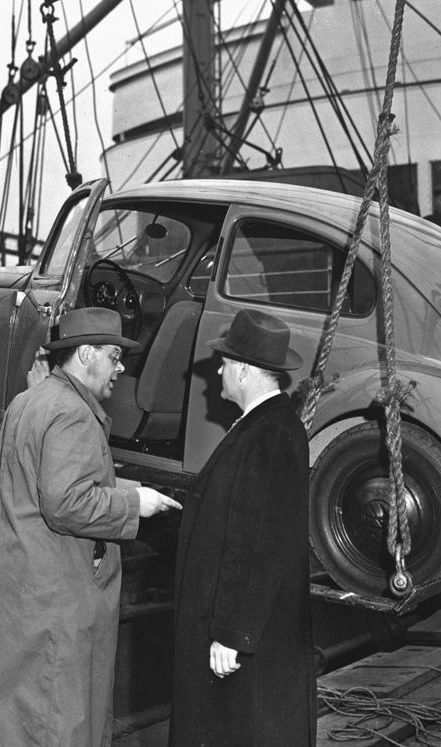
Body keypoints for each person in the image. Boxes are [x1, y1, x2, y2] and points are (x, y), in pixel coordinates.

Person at [0, 306, 182, 747]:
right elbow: (66, 502)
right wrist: (138, 503)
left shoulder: (28, 402)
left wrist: (121, 485)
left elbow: (11, 462)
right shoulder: (73, 412)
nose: (120, 368)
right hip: (53, 607)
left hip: (17, 600)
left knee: (14, 728)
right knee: (58, 725)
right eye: (113, 356)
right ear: (84, 355)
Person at [170, 308, 316, 747]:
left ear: (248, 372)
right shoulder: (265, 427)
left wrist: (231, 634)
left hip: (246, 636)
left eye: (227, 362)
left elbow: (259, 543)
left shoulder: (267, 434)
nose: (220, 369)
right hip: (255, 630)